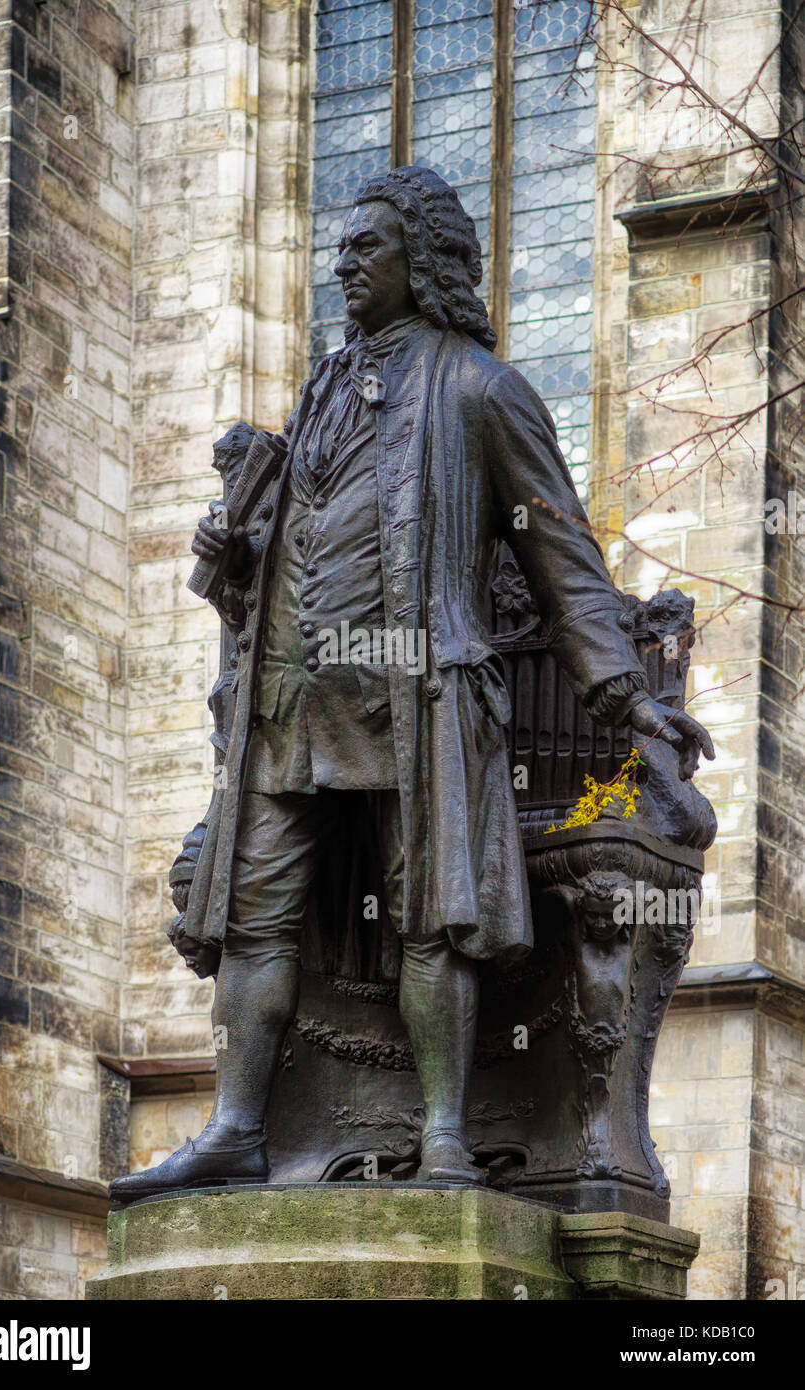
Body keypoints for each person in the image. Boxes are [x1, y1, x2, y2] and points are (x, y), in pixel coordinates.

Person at [109, 166, 713, 1201]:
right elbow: (299, 540)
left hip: (420, 701)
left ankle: (441, 1138)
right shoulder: (323, 388)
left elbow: (561, 563)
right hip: (293, 706)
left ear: (421, 262)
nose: (342, 261)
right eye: (339, 245)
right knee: (252, 917)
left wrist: (625, 698)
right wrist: (235, 547)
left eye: (365, 245)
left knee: (435, 921)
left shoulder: (482, 390)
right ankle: (236, 1128)